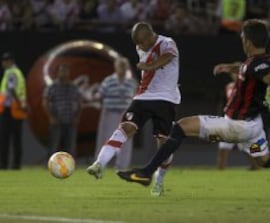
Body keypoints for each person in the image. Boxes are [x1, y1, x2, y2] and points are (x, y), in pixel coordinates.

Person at [117, 19, 270, 193]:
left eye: (243, 37)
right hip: (254, 130)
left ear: (248, 42)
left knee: (180, 128)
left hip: (235, 126)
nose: (241, 40)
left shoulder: (259, 65)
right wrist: (230, 67)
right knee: (264, 159)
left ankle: (146, 173)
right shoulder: (257, 61)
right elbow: (248, 69)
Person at [87, 22, 181, 197]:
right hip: (143, 97)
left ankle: (159, 181)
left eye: (141, 43)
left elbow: (167, 56)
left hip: (166, 100)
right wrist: (150, 65)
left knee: (164, 145)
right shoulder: (142, 48)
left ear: (149, 37)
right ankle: (100, 164)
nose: (139, 47)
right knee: (125, 128)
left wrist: (150, 66)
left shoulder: (168, 42)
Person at [95, 57, 137, 170]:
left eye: (124, 66)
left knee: (125, 140)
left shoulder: (131, 82)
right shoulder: (108, 81)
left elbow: (135, 98)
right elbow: (99, 96)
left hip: (125, 114)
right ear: (116, 67)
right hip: (110, 113)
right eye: (120, 66)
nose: (122, 69)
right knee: (105, 138)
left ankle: (122, 166)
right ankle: (100, 164)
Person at [43, 64, 82, 157]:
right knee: (54, 146)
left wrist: (77, 117)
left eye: (66, 71)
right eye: (62, 71)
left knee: (71, 147)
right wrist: (51, 117)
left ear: (68, 73)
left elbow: (80, 103)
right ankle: (51, 166)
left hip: (70, 119)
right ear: (58, 73)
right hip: (57, 120)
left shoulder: (73, 87)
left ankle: (70, 167)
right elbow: (45, 102)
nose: (64, 73)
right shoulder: (52, 87)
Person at [0, 52, 27, 170]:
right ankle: (16, 164)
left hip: (11, 109)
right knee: (16, 138)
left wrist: (19, 103)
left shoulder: (11, 73)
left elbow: (11, 89)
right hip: (15, 109)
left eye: (4, 61)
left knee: (6, 138)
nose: (3, 63)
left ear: (10, 61)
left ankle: (4, 163)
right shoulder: (17, 72)